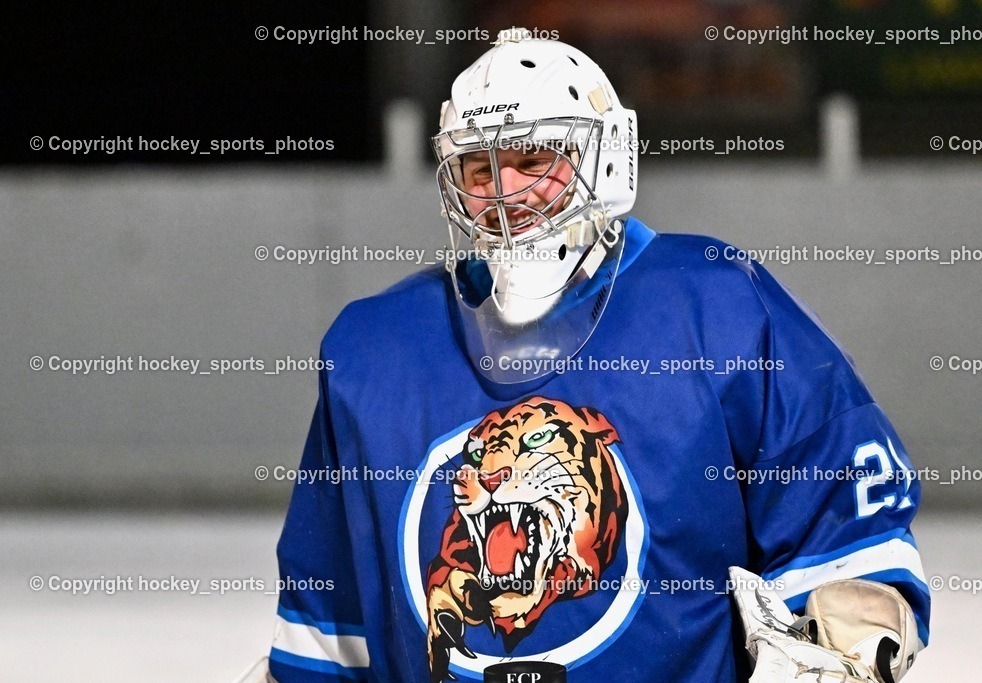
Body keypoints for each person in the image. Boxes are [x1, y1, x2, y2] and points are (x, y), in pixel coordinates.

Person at [245, 27, 930, 683]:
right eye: (479, 167)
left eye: (533, 160)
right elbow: (327, 624)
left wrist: (844, 642)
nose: (505, 195)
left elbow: (846, 535)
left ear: (605, 158)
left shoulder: (715, 307)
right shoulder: (375, 349)